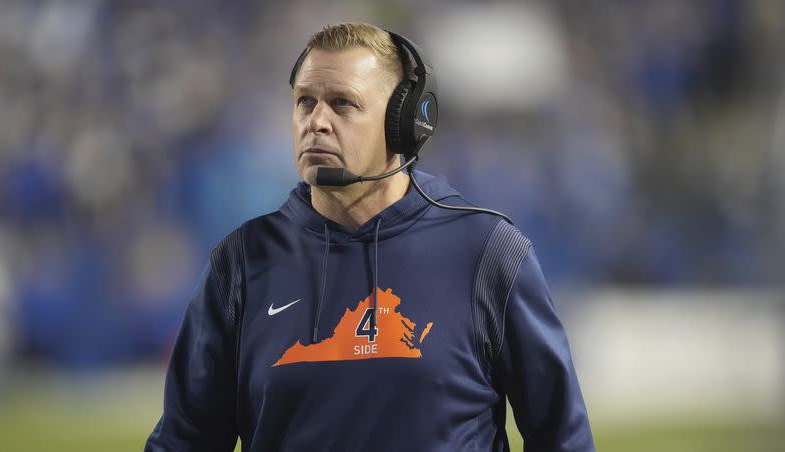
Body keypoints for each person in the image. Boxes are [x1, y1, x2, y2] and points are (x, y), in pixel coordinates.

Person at [145, 22, 594, 452]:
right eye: (305, 102)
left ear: (404, 124)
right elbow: (185, 442)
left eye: (343, 103)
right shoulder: (240, 263)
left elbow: (562, 440)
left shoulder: (487, 253)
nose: (316, 121)